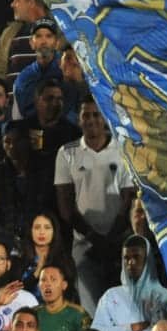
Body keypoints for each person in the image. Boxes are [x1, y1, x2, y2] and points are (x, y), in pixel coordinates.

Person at [55, 97, 135, 311]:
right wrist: (93, 239)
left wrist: (111, 240)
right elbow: (65, 204)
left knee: (123, 309)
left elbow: (129, 199)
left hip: (120, 243)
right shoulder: (66, 153)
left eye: (96, 114)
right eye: (86, 115)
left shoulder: (123, 149)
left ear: (105, 117)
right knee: (92, 309)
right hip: (84, 245)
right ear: (79, 119)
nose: (91, 120)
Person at [93, 235, 167, 331]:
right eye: (126, 258)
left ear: (147, 260)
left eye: (136, 257)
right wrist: (132, 328)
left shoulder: (162, 296)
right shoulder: (111, 295)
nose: (130, 262)